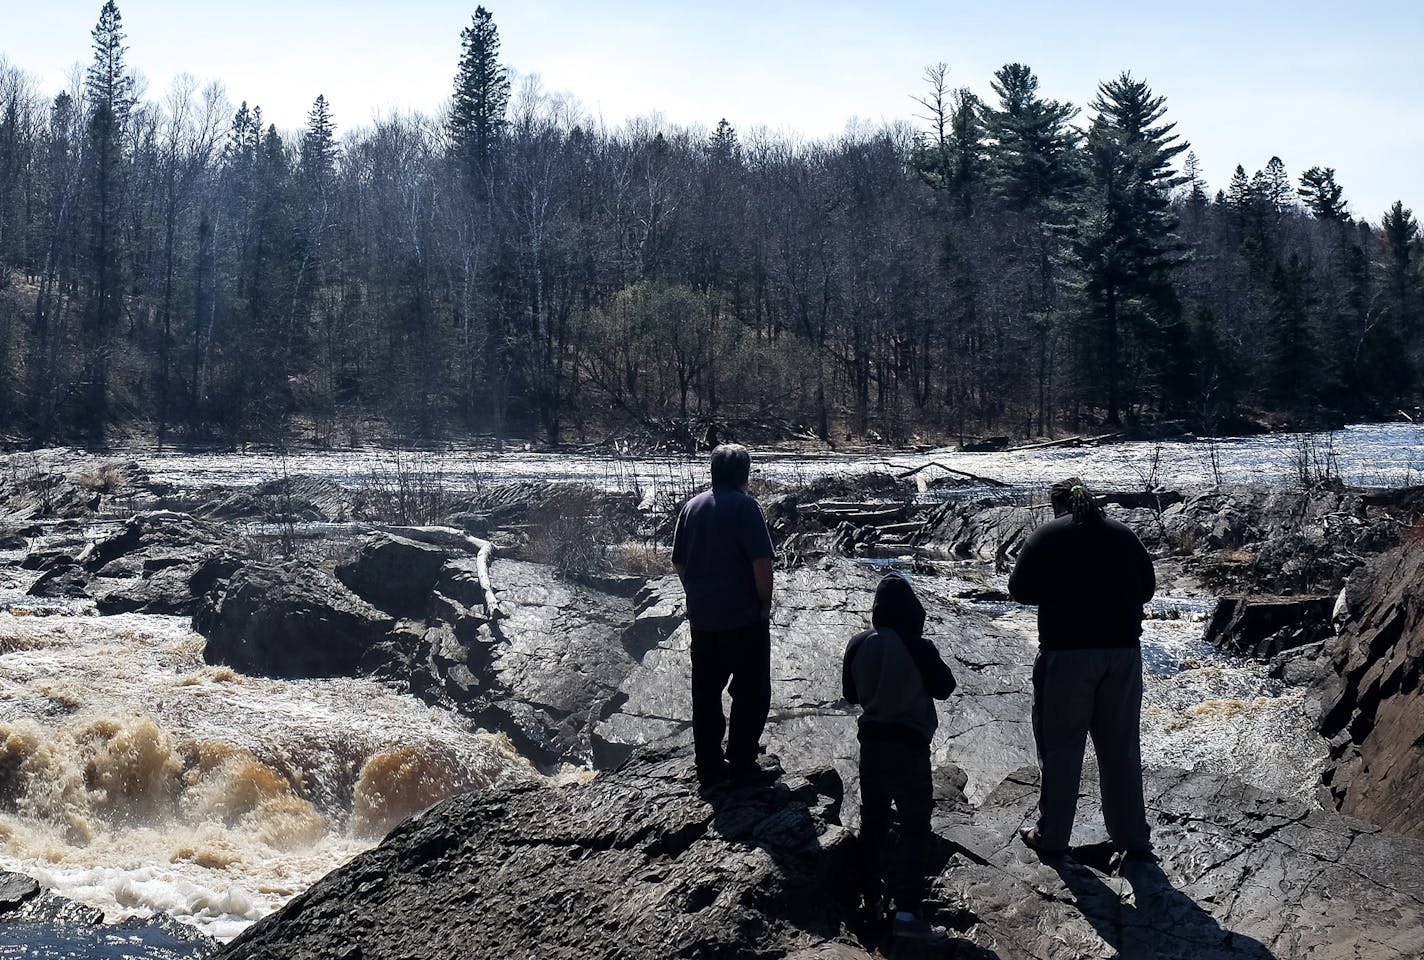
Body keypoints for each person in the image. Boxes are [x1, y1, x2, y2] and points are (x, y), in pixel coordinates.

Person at [1007, 476, 1156, 859]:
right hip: (1123, 654)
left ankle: (1052, 835)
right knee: (1120, 748)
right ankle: (1132, 837)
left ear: (1057, 505)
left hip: (1066, 655)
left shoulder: (1047, 536)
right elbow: (1148, 588)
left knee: (1061, 747)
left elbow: (1019, 590)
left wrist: (1059, 588)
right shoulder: (1123, 535)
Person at [843, 572, 956, 941]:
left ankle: (870, 902)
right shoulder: (918, 646)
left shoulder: (858, 643)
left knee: (872, 824)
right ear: (912, 610)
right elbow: (944, 687)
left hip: (871, 745)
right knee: (914, 829)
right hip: (909, 746)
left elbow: (850, 695)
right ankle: (908, 914)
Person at [671, 443, 777, 786]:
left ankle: (708, 762)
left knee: (706, 693)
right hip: (744, 619)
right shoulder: (747, 508)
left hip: (704, 621)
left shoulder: (691, 507)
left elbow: (678, 561)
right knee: (751, 692)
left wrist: (697, 592)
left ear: (713, 471)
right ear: (744, 475)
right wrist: (764, 603)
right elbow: (762, 563)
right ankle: (743, 759)